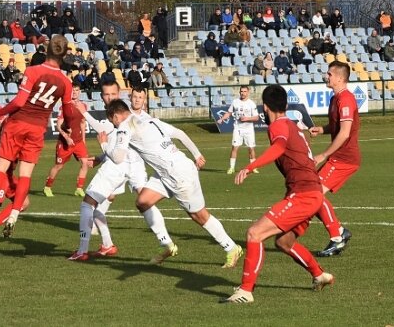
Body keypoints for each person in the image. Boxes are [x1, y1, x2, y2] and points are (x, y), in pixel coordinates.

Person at [222, 84, 334, 304]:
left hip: (304, 194)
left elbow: (279, 148)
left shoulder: (278, 126)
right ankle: (320, 275)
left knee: (255, 233)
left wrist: (250, 166)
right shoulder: (295, 128)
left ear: (265, 107)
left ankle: (245, 291)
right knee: (284, 242)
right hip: (311, 193)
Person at [100, 99, 243, 268]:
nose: (114, 126)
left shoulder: (124, 126)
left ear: (116, 116)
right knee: (143, 202)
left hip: (177, 174)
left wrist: (103, 144)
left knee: (199, 215)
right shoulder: (150, 119)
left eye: (112, 122)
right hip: (167, 172)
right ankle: (167, 245)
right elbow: (180, 133)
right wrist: (196, 154)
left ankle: (232, 247)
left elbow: (118, 157)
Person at [0, 35, 74, 247]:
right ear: (64, 55)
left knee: (2, 165)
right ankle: (15, 214)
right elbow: (69, 111)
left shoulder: (33, 71)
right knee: (26, 173)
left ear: (46, 49)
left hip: (18, 123)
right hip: (37, 129)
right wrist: (67, 126)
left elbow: (18, 101)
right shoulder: (65, 82)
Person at [68, 86, 174, 262]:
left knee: (88, 204)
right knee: (109, 202)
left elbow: (105, 135)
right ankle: (109, 245)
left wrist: (82, 112)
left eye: (113, 94)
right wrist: (101, 157)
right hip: (125, 164)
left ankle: (82, 250)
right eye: (106, 94)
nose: (109, 97)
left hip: (121, 165)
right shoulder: (133, 118)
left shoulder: (121, 119)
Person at [308, 61, 359, 257]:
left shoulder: (345, 99)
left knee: (314, 194)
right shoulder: (335, 98)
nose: (326, 76)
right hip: (339, 157)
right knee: (313, 193)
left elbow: (345, 133)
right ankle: (338, 233)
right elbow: (337, 127)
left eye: (329, 74)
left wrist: (323, 155)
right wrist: (322, 129)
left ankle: (337, 236)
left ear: (339, 78)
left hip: (344, 158)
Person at [43, 82, 89, 198]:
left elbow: (83, 123)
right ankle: (47, 187)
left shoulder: (83, 106)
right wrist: (67, 138)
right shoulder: (64, 106)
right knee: (59, 166)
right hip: (65, 143)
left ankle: (79, 188)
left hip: (78, 141)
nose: (75, 92)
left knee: (85, 163)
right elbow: (58, 125)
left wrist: (83, 139)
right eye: (73, 90)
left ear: (80, 92)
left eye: (77, 90)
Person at [217, 86, 260, 175]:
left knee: (251, 148)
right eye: (241, 91)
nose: (243, 93)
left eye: (244, 91)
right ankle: (231, 168)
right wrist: (222, 119)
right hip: (238, 128)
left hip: (248, 129)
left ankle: (253, 167)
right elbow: (229, 113)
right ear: (239, 92)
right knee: (234, 147)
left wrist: (246, 118)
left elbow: (256, 118)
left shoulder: (251, 103)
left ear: (248, 92)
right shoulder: (235, 102)